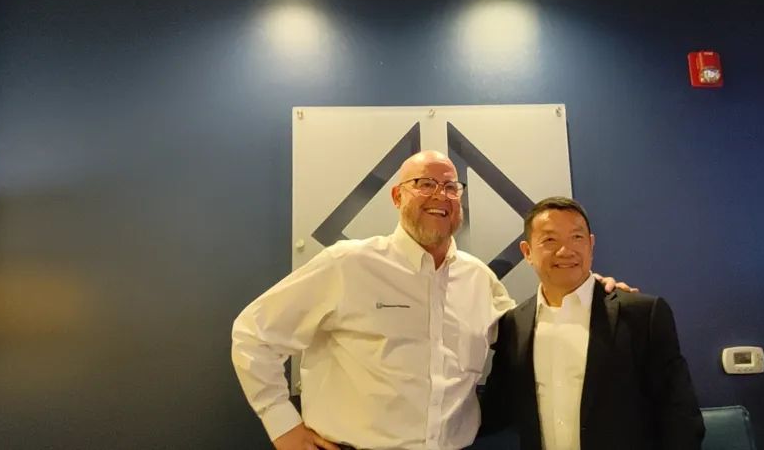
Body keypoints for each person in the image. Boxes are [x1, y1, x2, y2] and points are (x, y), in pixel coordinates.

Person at [232, 151, 632, 450]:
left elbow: (537, 331)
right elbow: (253, 335)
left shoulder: (478, 279)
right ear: (396, 196)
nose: (440, 195)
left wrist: (588, 293)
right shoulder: (347, 264)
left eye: (451, 187)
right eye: (424, 184)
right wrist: (283, 426)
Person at [480, 196, 704, 450]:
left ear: (591, 244)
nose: (566, 251)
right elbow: (497, 408)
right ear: (527, 252)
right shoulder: (514, 324)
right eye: (550, 240)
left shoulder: (642, 315)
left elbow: (680, 414)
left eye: (577, 237)